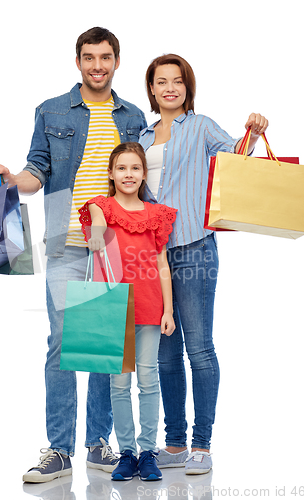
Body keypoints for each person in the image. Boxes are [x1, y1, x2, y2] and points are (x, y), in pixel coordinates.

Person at [0, 27, 147, 483]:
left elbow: (144, 174)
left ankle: (98, 444)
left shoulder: (133, 116)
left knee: (102, 347)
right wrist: (9, 178)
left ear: (117, 62)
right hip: (66, 242)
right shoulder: (51, 110)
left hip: (114, 245)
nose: (98, 65)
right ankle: (59, 450)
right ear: (78, 62)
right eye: (89, 57)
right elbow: (37, 170)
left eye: (106, 57)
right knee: (61, 344)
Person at [139, 54, 269, 475]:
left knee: (199, 347)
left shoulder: (200, 126)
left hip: (193, 245)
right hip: (152, 254)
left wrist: (253, 129)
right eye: (162, 82)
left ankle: (202, 444)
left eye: (177, 81)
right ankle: (174, 444)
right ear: (152, 89)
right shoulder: (140, 136)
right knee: (166, 351)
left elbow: (235, 152)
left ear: (186, 87)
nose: (170, 88)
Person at [79, 142, 177, 481]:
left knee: (148, 379)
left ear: (144, 174)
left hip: (150, 306)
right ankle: (127, 453)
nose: (129, 174)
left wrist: (169, 310)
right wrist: (96, 225)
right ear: (111, 173)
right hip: (112, 308)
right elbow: (94, 214)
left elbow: (162, 264)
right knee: (119, 384)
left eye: (135, 168)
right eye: (121, 168)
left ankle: (148, 451)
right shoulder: (102, 207)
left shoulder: (156, 214)